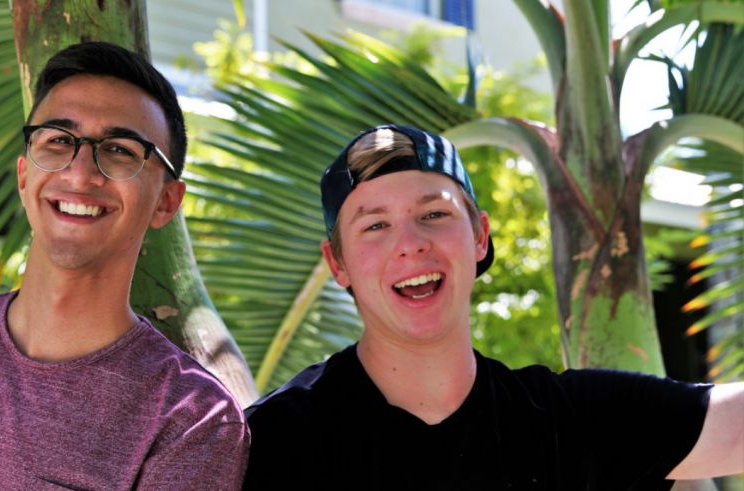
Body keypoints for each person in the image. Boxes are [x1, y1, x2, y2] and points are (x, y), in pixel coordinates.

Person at [242, 124, 744, 490]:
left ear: (480, 235)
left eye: (433, 214)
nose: (410, 244)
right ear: (338, 263)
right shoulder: (276, 442)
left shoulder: (564, 423)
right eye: (375, 225)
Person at [0, 42, 249, 490]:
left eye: (120, 150)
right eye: (59, 141)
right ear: (24, 176)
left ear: (165, 202)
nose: (80, 175)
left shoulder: (193, 418)